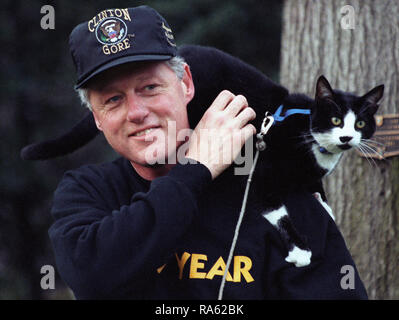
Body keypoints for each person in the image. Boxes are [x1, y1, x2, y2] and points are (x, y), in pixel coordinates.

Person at [49, 5, 368, 299]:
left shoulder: (273, 193)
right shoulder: (88, 191)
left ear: (186, 84)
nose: (136, 112)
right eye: (113, 100)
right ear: (97, 118)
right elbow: (91, 275)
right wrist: (195, 169)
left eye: (149, 88)